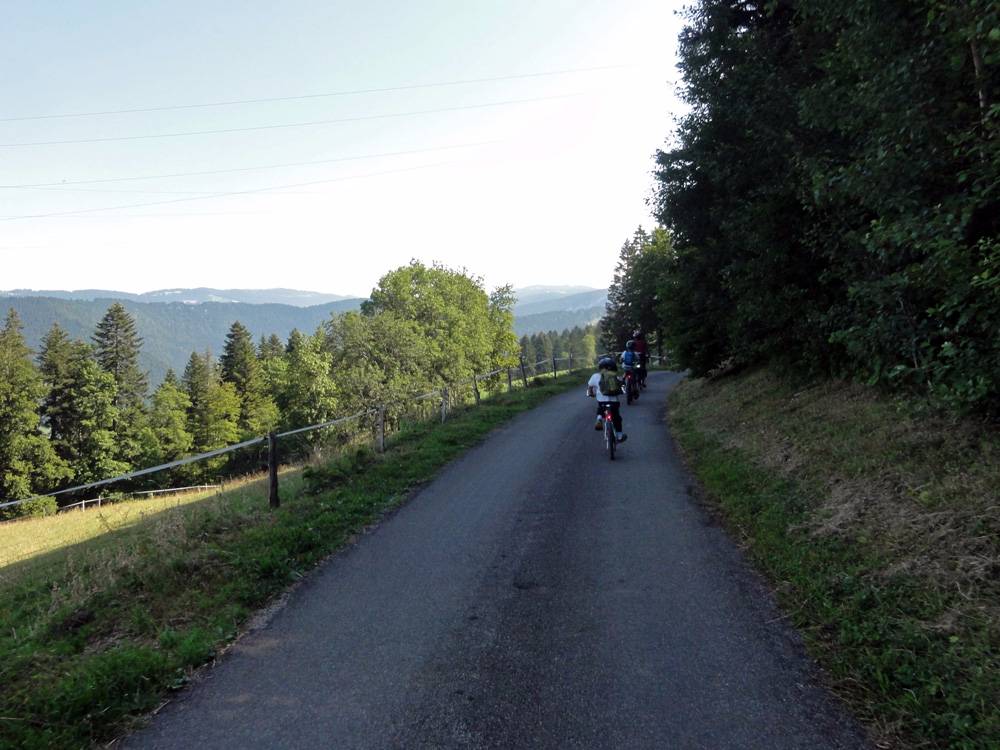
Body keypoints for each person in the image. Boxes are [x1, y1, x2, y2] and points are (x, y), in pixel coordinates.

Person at [586, 356, 626, 442]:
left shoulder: (595, 376)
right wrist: (622, 390)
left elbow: (589, 387)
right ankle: (619, 435)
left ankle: (599, 418)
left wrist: (590, 393)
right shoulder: (615, 376)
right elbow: (622, 385)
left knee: (600, 408)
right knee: (617, 418)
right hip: (614, 402)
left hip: (602, 401)